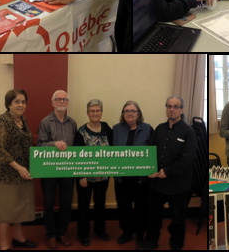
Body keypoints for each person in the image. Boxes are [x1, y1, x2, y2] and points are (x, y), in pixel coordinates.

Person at [138, 97, 196, 251]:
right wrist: (149, 168)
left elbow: (187, 159)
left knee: (178, 218)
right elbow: (152, 150)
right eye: (169, 106)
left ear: (181, 109)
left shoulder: (188, 132)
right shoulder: (159, 129)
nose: (172, 109)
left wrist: (167, 171)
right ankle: (151, 241)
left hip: (178, 184)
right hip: (157, 182)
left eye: (176, 106)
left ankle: (177, 243)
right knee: (153, 215)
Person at [0, 90, 36, 250]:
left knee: (19, 207)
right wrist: (18, 168)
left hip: (24, 173)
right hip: (6, 174)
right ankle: (3, 244)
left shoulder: (23, 120)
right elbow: (0, 149)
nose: (21, 105)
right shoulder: (2, 121)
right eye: (17, 101)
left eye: (23, 102)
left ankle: (18, 237)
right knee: (4, 209)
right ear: (9, 103)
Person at [37, 90, 77, 249]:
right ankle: (51, 234)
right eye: (58, 99)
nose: (61, 102)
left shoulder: (72, 123)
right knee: (48, 202)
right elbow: (39, 145)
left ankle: (62, 232)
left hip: (68, 168)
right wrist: (53, 143)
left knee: (66, 202)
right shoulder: (45, 122)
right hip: (49, 170)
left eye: (64, 99)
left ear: (68, 102)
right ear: (52, 102)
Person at [112, 100, 153, 245]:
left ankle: (140, 233)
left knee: (141, 207)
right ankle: (126, 232)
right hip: (122, 178)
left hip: (141, 178)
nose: (129, 113)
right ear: (123, 114)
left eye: (133, 111)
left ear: (139, 114)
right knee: (123, 206)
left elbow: (154, 151)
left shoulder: (147, 128)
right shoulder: (116, 129)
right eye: (126, 111)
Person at [73, 99, 112, 246]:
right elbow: (77, 156)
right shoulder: (80, 132)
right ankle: (83, 234)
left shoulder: (107, 128)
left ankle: (100, 231)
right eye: (92, 111)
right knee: (83, 206)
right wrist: (81, 176)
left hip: (103, 176)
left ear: (101, 112)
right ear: (87, 113)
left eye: (98, 110)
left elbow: (114, 150)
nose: (95, 113)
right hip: (85, 178)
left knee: (100, 204)